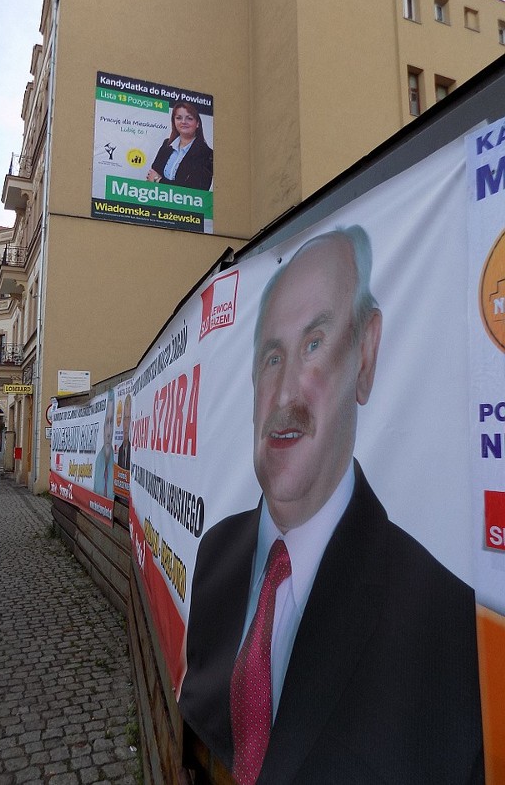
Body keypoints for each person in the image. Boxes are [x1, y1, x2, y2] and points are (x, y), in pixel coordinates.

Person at [179, 226, 483, 784]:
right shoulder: (216, 553)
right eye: (273, 357)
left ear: (365, 355)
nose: (287, 392)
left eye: (315, 344)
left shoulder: (448, 628)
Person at [146, 101, 213, 191]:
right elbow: (151, 176)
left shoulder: (207, 154)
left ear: (198, 123)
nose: (183, 122)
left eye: (189, 118)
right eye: (178, 118)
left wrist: (159, 180)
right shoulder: (166, 145)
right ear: (174, 122)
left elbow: (196, 190)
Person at [93, 390, 115, 499]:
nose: (109, 432)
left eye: (112, 422)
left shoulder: (118, 463)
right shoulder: (98, 461)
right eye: (107, 422)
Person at [117, 393, 132, 472]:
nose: (126, 425)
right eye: (125, 419)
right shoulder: (120, 450)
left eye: (129, 418)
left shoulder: (133, 452)